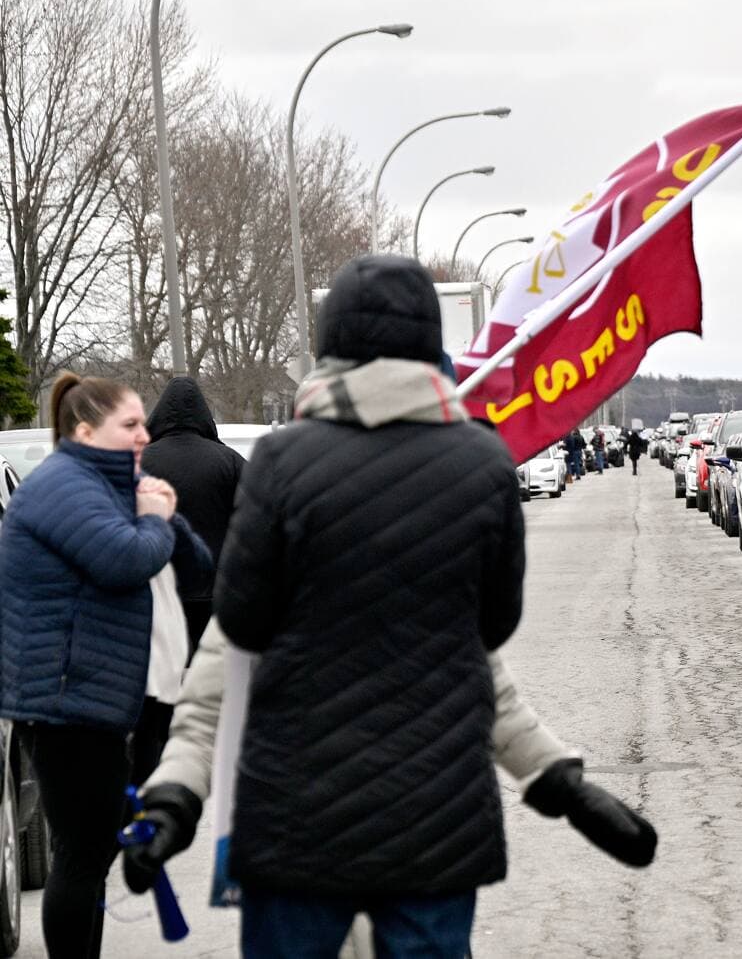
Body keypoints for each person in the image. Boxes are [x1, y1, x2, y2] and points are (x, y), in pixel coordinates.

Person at [213, 254, 526, 958]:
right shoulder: (483, 462)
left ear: (333, 343)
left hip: (299, 797)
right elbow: (495, 622)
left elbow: (241, 618)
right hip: (438, 798)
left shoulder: (281, 460)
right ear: (426, 341)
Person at [123, 622, 657, 909]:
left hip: (416, 861)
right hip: (304, 872)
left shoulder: (431, 572)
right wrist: (173, 799)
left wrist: (563, 784)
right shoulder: (265, 576)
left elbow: (492, 699)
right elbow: (207, 714)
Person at [0, 372, 210, 959]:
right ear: (87, 431)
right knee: (80, 855)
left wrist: (163, 513)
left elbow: (195, 567)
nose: (146, 434)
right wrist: (153, 520)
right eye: (131, 424)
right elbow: (124, 560)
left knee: (95, 849)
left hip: (112, 698)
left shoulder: (117, 485)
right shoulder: (61, 488)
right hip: (68, 699)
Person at [138, 377, 244, 651]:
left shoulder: (139, 462)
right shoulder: (230, 462)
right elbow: (254, 522)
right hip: (217, 592)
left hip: (155, 591)